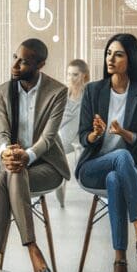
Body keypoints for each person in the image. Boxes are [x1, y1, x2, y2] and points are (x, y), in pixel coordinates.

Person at [0, 39, 69, 272]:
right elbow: (2, 133)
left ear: (40, 64)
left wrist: (27, 155)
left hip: (47, 165)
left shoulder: (57, 92)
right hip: (13, 165)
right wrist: (6, 152)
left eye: (23, 62)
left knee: (2, 179)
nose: (14, 65)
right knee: (6, 177)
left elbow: (48, 138)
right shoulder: (2, 91)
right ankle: (32, 250)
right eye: (15, 58)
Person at [75, 33, 137, 272]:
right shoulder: (93, 91)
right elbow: (83, 137)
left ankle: (120, 258)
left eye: (118, 54)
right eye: (109, 53)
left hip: (133, 169)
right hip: (93, 166)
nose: (110, 59)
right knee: (119, 157)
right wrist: (96, 134)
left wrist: (124, 133)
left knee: (115, 179)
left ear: (131, 59)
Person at [54, 58, 90, 209]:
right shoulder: (62, 95)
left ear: (84, 76)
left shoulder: (89, 95)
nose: (71, 78)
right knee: (56, 157)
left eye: (75, 75)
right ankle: (60, 190)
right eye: (69, 74)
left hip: (82, 137)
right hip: (64, 136)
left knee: (81, 166)